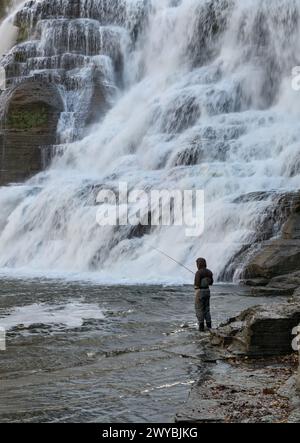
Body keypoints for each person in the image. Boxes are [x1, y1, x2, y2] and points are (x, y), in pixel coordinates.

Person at [194, 258, 214, 332]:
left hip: (200, 291)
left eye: (197, 263)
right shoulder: (209, 272)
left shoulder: (198, 272)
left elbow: (197, 284)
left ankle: (201, 328)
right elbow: (211, 283)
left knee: (199, 309)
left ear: (199, 264)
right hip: (207, 291)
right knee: (207, 310)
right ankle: (209, 327)